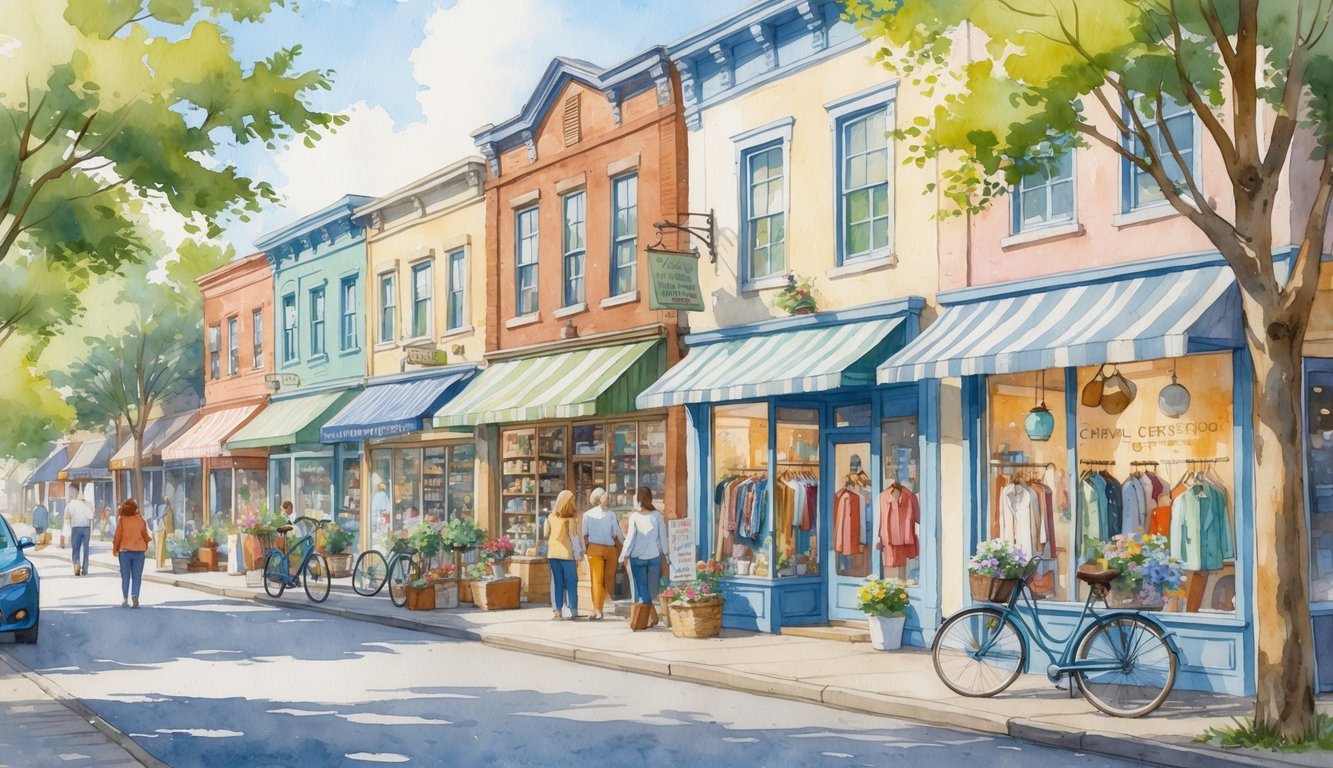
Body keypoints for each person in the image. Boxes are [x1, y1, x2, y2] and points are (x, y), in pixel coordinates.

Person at [619, 487, 668, 630]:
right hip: (654, 556)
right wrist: (666, 553)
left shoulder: (634, 516)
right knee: (651, 590)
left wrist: (623, 555)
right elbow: (662, 538)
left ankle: (650, 618)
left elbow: (630, 539)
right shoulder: (657, 516)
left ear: (639, 500)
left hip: (637, 558)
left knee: (643, 589)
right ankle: (652, 617)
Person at [582, 487, 622, 620]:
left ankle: (597, 609)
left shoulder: (587, 515)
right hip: (610, 548)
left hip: (594, 548)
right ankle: (601, 606)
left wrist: (585, 549)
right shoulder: (610, 515)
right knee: (607, 579)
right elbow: (616, 534)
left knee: (596, 580)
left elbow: (584, 534)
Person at [543, 489, 581, 620]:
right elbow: (574, 538)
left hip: (553, 553)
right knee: (571, 581)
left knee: (556, 582)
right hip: (567, 554)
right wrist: (579, 554)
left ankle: (557, 610)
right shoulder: (572, 520)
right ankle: (573, 610)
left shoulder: (550, 517)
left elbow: (545, 533)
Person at [112, 498, 152, 608]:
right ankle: (135, 595)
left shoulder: (122, 521)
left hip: (124, 551)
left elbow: (117, 537)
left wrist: (115, 549)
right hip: (139, 551)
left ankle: (125, 599)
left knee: (125, 576)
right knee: (137, 576)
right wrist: (146, 545)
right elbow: (145, 535)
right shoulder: (140, 520)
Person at [65, 484, 96, 576]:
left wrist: (66, 531)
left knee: (75, 549)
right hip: (86, 528)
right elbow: (91, 516)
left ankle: (76, 565)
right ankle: (85, 568)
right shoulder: (88, 504)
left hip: (76, 528)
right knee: (86, 549)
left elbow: (67, 517)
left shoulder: (71, 505)